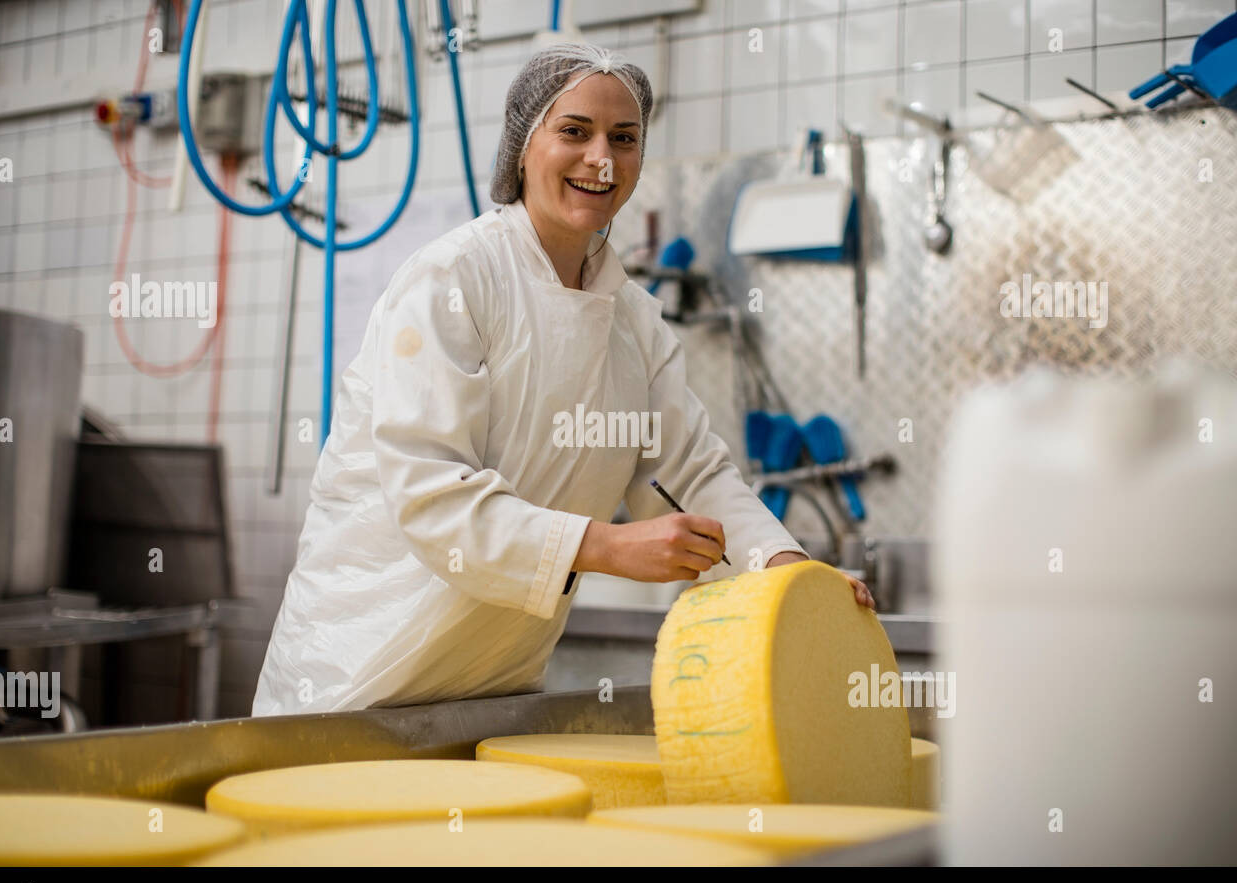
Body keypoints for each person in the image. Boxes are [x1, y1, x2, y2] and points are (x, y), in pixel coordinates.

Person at [252, 42, 873, 716]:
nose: (602, 158)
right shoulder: (454, 280)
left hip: (489, 691)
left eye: (624, 138)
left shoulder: (632, 320)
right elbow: (432, 495)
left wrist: (788, 574)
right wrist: (606, 546)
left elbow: (688, 476)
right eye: (574, 131)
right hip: (352, 680)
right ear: (523, 147)